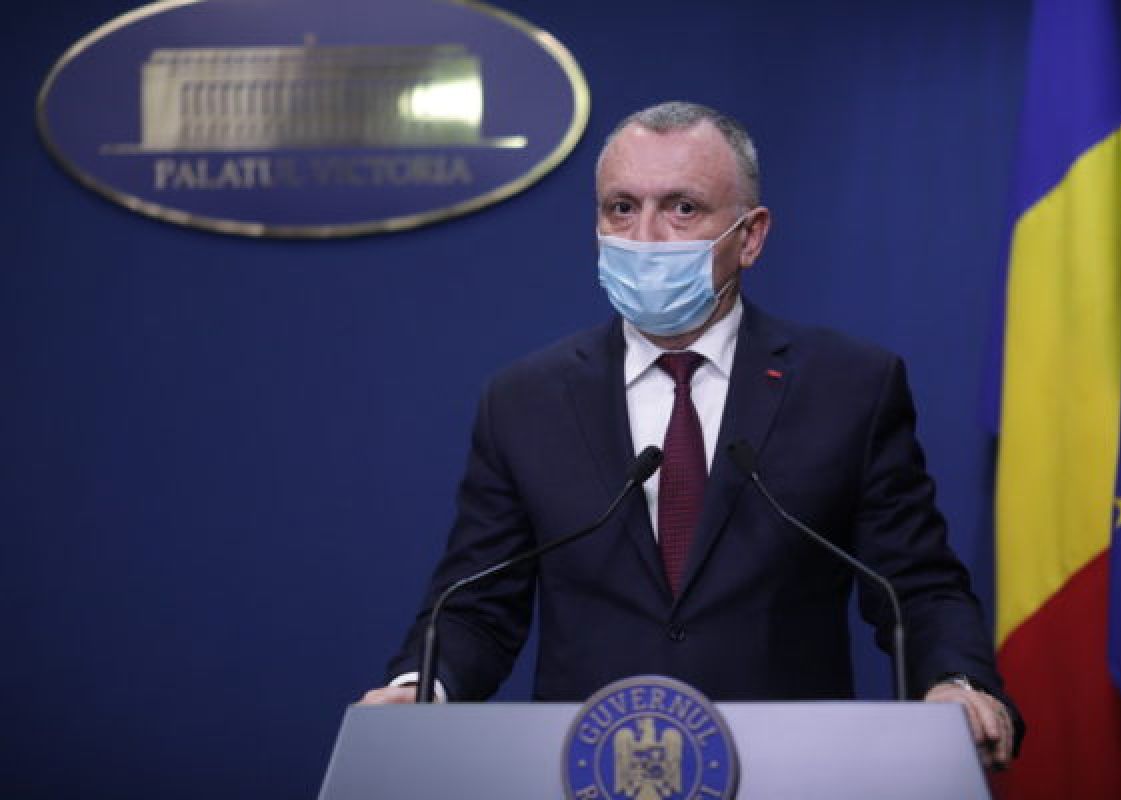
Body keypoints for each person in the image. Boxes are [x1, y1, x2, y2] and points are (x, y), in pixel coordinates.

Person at [361, 101, 1021, 768]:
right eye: (622, 208)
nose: (645, 236)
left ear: (750, 236)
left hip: (789, 769)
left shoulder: (848, 387)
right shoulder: (525, 400)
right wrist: (421, 689)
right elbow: (475, 605)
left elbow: (915, 586)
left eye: (682, 208)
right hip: (596, 771)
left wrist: (956, 682)